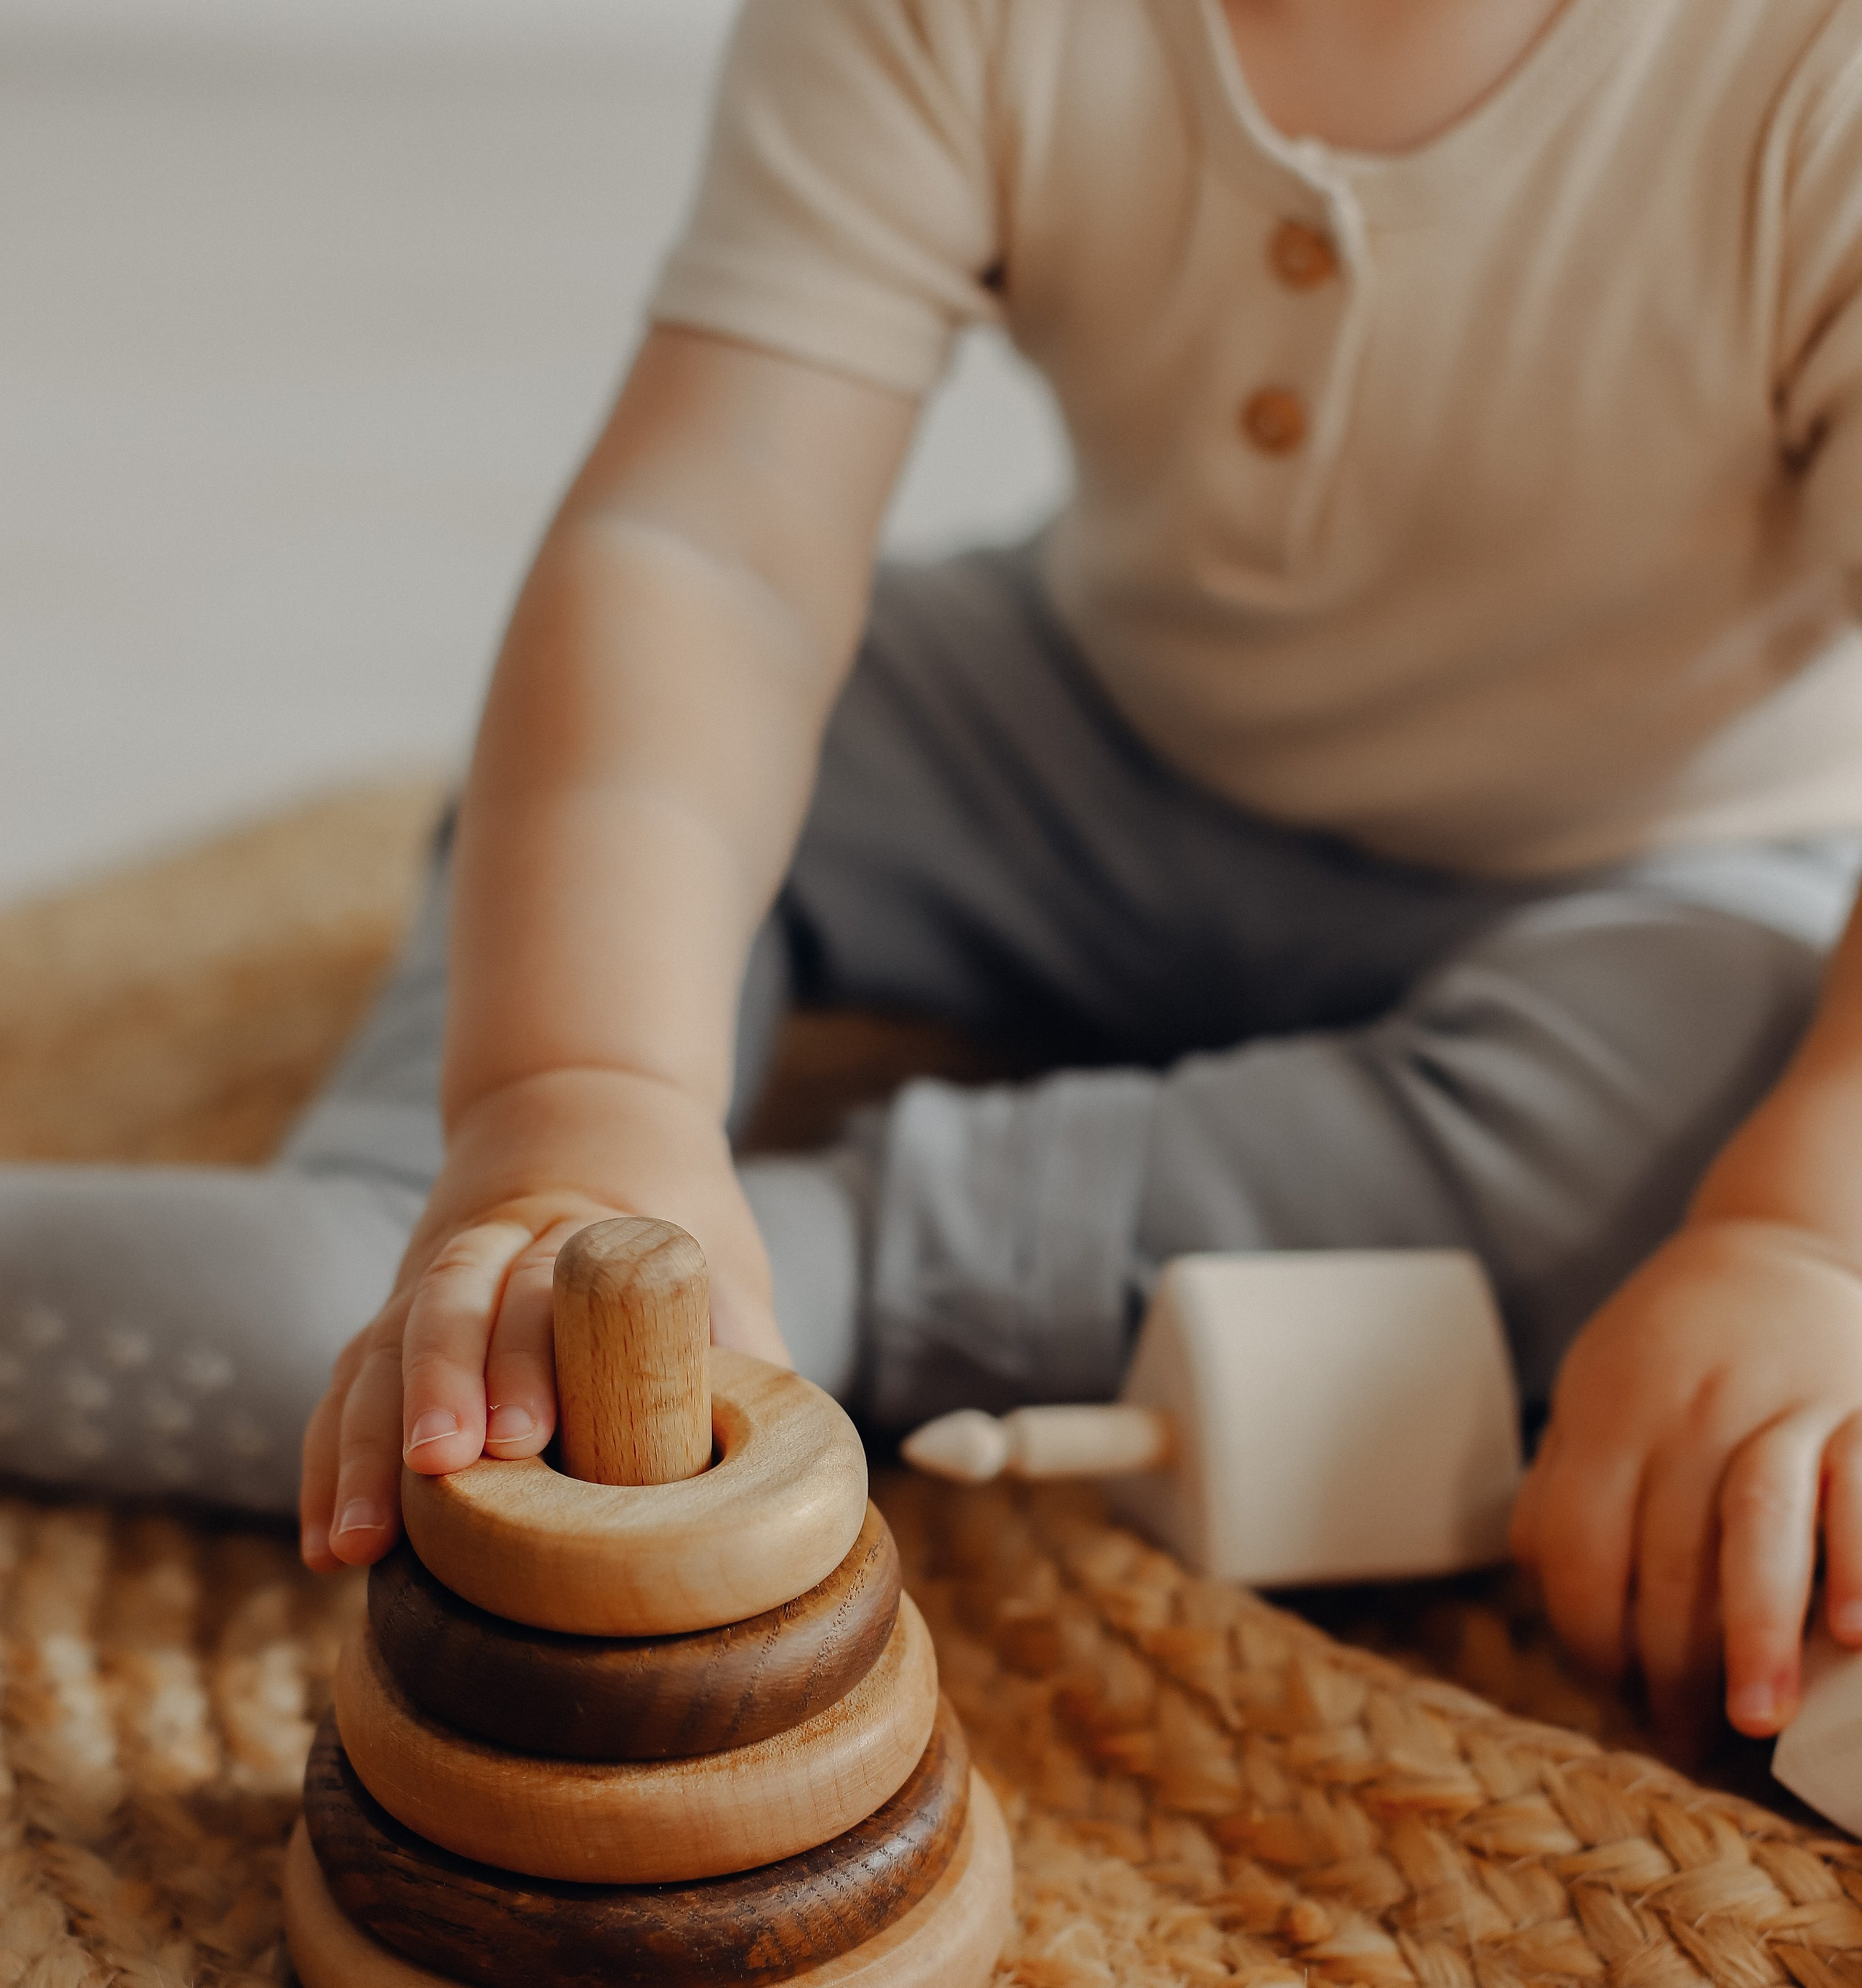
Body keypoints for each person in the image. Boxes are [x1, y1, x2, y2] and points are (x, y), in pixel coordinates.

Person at [9, 0, 1862, 1755]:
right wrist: (573, 1098)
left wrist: (1796, 1234)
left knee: (1687, 1129)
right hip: (1070, 736)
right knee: (634, 739)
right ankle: (468, 1203)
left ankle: (756, 1297)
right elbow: (708, 549)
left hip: (1632, 875)